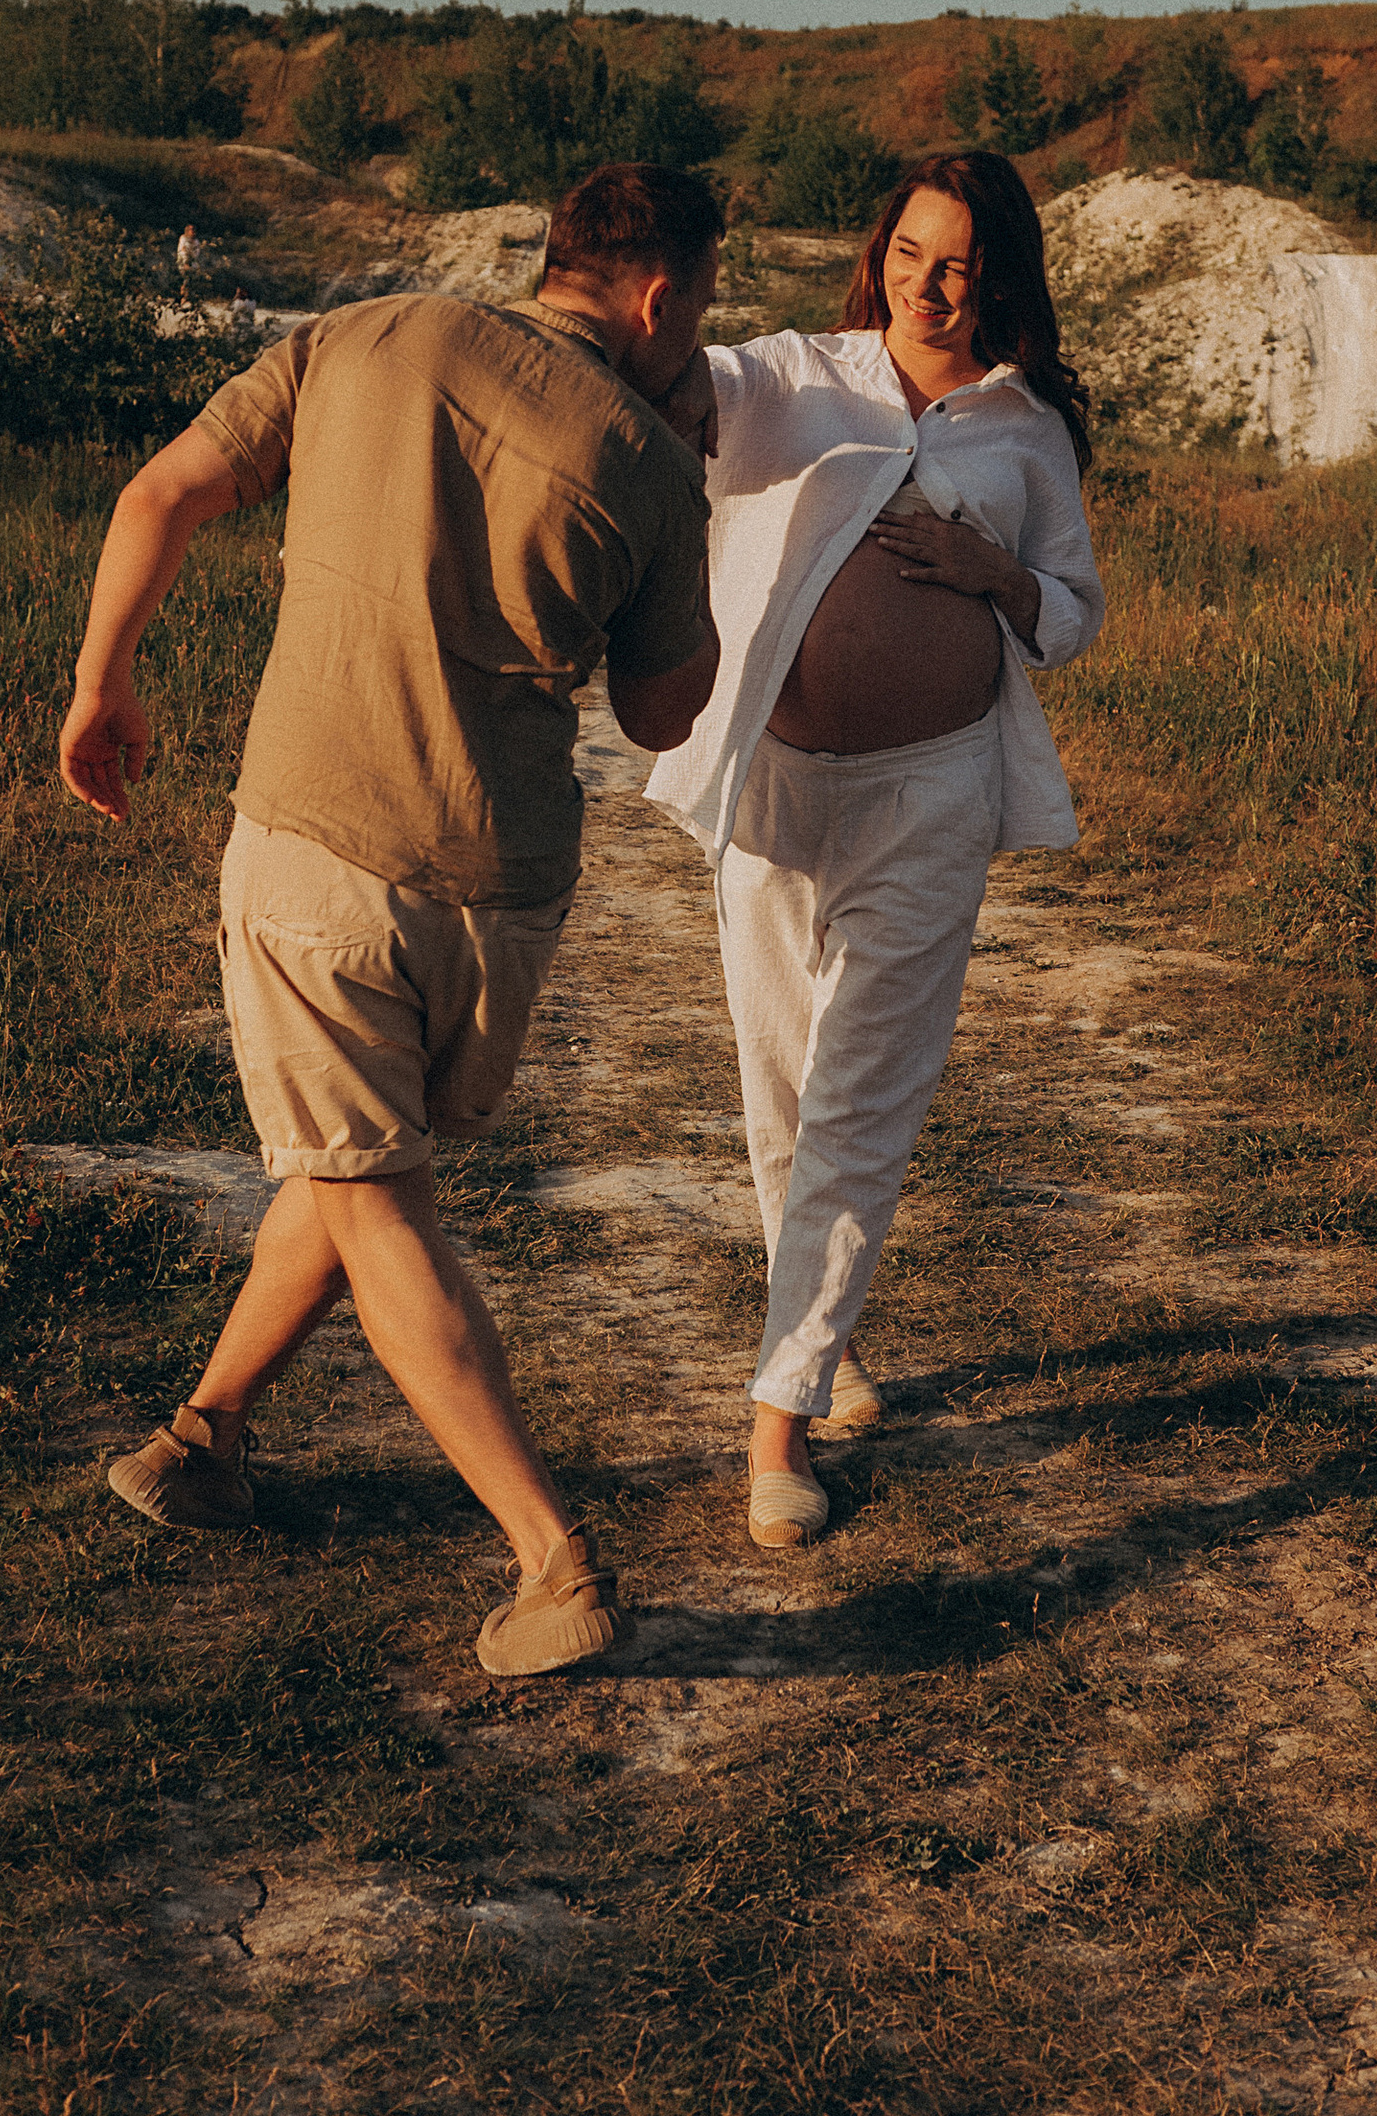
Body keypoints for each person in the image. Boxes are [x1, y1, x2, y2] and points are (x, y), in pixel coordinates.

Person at [59, 162, 725, 1671]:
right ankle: (204, 1439)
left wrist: (106, 681)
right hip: (501, 894)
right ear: (660, 295)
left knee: (375, 1198)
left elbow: (160, 492)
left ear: (562, 260)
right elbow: (665, 713)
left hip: (317, 843)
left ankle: (554, 1560)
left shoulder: (356, 334)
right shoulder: (646, 453)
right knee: (361, 1166)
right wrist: (681, 483)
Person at [644, 150, 1102, 1549]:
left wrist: (996, 575)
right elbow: (687, 390)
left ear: (1003, 276)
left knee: (862, 1098)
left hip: (933, 796)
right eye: (910, 251)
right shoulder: (797, 377)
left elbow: (1074, 611)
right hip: (776, 793)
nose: (930, 283)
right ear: (879, 253)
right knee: (781, 1090)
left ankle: (776, 1425)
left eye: (960, 261)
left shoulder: (1027, 432)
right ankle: (825, 1339)